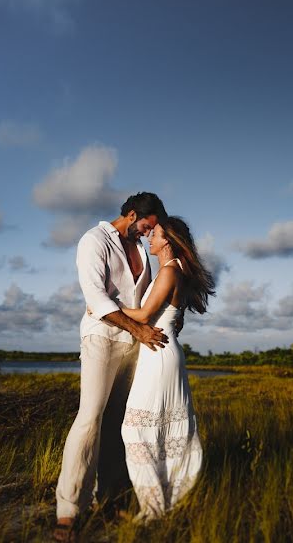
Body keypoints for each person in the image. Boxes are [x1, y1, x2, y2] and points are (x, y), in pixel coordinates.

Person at [54, 192, 171, 541]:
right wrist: (137, 327)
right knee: (90, 416)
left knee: (120, 422)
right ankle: (69, 509)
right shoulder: (94, 240)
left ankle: (109, 497)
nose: (148, 235)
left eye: (153, 231)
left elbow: (145, 299)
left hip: (133, 347)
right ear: (132, 214)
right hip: (101, 339)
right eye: (146, 227)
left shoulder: (141, 252)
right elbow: (96, 297)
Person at [118, 216, 215, 520]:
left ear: (168, 242)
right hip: (162, 351)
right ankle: (161, 506)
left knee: (135, 430)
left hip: (159, 355)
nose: (149, 238)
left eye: (155, 235)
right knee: (157, 431)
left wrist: (107, 303)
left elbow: (144, 314)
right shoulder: (176, 272)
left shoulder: (170, 272)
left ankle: (153, 508)